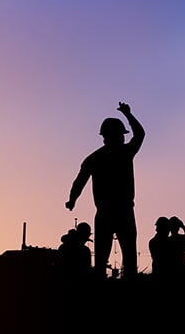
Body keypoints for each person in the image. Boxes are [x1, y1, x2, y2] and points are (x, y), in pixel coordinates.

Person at [65, 102, 146, 277]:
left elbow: (79, 182)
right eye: (121, 134)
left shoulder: (95, 158)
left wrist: (72, 199)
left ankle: (102, 285)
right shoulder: (123, 153)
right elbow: (140, 134)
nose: (124, 138)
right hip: (121, 213)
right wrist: (128, 114)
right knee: (126, 257)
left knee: (104, 258)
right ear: (113, 136)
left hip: (107, 214)